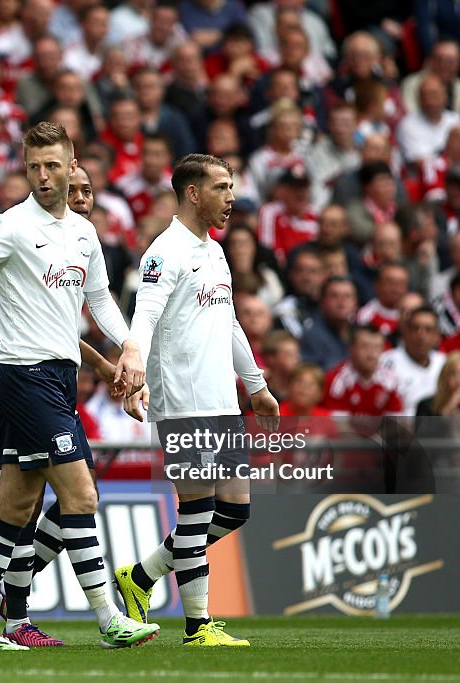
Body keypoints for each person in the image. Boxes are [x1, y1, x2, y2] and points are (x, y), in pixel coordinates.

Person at [0, 122, 155, 650]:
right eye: (33, 167)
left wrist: (130, 347)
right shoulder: (13, 224)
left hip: (61, 377)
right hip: (22, 376)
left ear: (71, 167)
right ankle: (110, 618)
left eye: (51, 165)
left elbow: (99, 301)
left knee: (17, 504)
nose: (42, 176)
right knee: (81, 494)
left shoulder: (85, 233)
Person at [113, 153, 279, 647]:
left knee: (234, 511)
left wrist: (257, 386)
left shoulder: (213, 250)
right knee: (197, 510)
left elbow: (228, 323)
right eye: (222, 187)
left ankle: (141, 577)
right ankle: (197, 625)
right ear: (192, 193)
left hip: (220, 399)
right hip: (183, 399)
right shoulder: (165, 252)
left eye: (231, 187)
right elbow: (144, 314)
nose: (231, 198)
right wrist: (133, 358)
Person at [0, 166, 128, 647]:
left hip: (48, 381)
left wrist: (112, 360)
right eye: (77, 188)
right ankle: (21, 617)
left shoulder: (79, 241)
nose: (83, 197)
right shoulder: (25, 231)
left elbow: (68, 327)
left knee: (52, 499)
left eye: (90, 190)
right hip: (12, 380)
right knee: (45, 500)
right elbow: (38, 333)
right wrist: (107, 364)